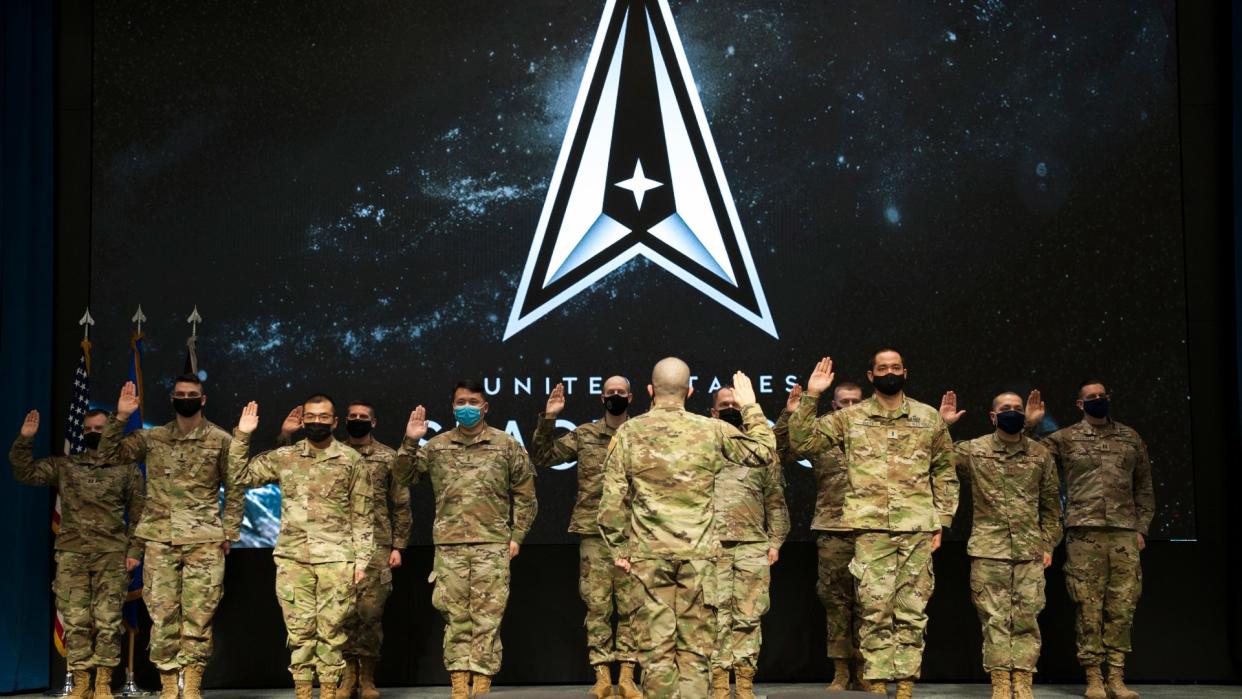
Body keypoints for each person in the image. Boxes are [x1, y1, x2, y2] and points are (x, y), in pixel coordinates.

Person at [597, 359, 776, 699]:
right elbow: (764, 452)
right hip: (699, 560)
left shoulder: (629, 433)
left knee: (657, 654)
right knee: (696, 652)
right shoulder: (712, 430)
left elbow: (610, 505)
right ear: (690, 391)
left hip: (649, 559)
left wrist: (620, 550)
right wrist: (750, 405)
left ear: (649, 391)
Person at [788, 352, 958, 698]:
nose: (890, 373)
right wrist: (813, 396)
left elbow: (944, 472)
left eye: (896, 368)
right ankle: (878, 687)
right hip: (870, 530)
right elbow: (802, 442)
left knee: (912, 611)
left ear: (905, 372)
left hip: (916, 529)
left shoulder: (927, 418)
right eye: (883, 369)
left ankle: (906, 687)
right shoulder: (851, 418)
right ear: (871, 375)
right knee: (874, 611)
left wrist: (942, 520)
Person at [98, 376, 243, 699]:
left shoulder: (220, 440)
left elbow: (236, 487)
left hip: (204, 540)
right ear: (172, 398)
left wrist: (229, 532)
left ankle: (191, 684)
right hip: (159, 539)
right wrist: (120, 417)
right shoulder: (153, 438)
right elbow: (108, 455)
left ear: (202, 400)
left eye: (192, 394)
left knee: (199, 615)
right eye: (180, 395)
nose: (186, 399)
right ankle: (168, 683)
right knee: (162, 614)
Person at [393, 380, 538, 699]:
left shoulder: (506, 445)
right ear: (453, 407)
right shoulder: (437, 446)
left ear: (485, 407)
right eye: (461, 402)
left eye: (473, 401)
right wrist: (410, 441)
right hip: (450, 546)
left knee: (488, 616)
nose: (467, 407)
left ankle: (482, 682)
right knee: (455, 615)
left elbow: (526, 496)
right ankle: (459, 681)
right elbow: (403, 477)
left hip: (492, 545)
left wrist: (517, 536)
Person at [229, 395, 375, 699]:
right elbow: (239, 477)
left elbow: (362, 515)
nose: (317, 422)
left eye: (324, 417)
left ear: (335, 422)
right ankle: (304, 692)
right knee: (299, 633)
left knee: (332, 633)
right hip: (293, 559)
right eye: (311, 416)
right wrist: (243, 434)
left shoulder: (351, 461)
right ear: (303, 419)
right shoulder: (286, 456)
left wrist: (361, 561)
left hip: (337, 559)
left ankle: (330, 693)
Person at [279, 402, 412, 699]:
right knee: (339, 616)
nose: (357, 421)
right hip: (336, 546)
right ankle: (345, 676)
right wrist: (286, 436)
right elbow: (289, 465)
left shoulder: (387, 457)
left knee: (369, 613)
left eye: (363, 417)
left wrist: (398, 545)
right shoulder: (331, 453)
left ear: (373, 423)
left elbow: (401, 504)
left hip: (376, 546)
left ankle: (366, 678)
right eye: (352, 416)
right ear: (343, 421)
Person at [10, 409, 144, 699]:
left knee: (108, 621)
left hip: (111, 555)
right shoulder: (67, 465)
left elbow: (139, 515)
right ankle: (82, 681)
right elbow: (25, 472)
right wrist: (24, 440)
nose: (94, 432)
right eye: (89, 428)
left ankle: (104, 683)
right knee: (76, 620)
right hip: (73, 554)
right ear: (82, 433)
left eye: (100, 427)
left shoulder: (127, 468)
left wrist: (134, 551)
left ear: (111, 430)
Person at [1036, 381, 1154, 699]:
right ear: (1080, 404)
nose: (1098, 400)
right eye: (1092, 398)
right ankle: (1093, 678)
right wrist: (1033, 424)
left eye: (1102, 396)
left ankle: (1116, 677)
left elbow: (1144, 485)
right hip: (1083, 534)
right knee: (1088, 605)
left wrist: (1141, 527)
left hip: (1124, 534)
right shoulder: (1064, 439)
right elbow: (1031, 458)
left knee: (1122, 606)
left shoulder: (1130, 437)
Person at [530, 377, 642, 698]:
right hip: (594, 533)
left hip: (632, 533)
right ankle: (603, 676)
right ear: (601, 398)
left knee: (632, 607)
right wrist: (549, 417)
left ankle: (628, 676)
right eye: (610, 393)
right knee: (597, 606)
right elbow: (543, 456)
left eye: (621, 392)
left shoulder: (641, 433)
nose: (616, 396)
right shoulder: (585, 434)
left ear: (631, 397)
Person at [948, 391, 1061, 699]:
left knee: (1027, 617)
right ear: (993, 416)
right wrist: (943, 426)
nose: (1011, 412)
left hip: (1029, 552)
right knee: (995, 619)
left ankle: (1023, 681)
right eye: (1004, 409)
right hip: (989, 550)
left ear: (1025, 415)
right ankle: (1000, 682)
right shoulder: (975, 450)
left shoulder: (1040, 454)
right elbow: (935, 454)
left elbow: (1052, 509)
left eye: (1017, 408)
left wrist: (1048, 544)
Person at [776, 381, 865, 691]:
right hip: (833, 528)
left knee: (872, 604)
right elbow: (782, 452)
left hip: (872, 529)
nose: (850, 406)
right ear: (834, 405)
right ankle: (841, 671)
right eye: (844, 402)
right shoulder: (821, 434)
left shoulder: (875, 433)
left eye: (856, 401)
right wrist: (789, 416)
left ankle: (867, 671)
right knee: (836, 602)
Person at [708, 387, 789, 699]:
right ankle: (717, 687)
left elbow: (776, 502)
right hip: (711, 547)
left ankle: (743, 686)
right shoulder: (703, 447)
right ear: (713, 412)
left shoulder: (762, 451)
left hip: (753, 547)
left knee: (748, 617)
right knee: (714, 618)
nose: (730, 409)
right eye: (724, 405)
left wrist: (776, 542)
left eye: (735, 404)